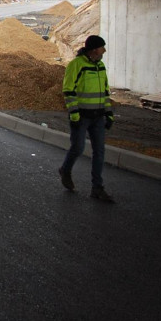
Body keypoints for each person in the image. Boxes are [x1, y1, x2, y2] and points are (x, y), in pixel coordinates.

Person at [58, 34, 115, 202]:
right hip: (81, 116)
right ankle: (65, 170)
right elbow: (68, 90)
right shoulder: (76, 65)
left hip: (97, 116)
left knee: (99, 152)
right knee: (78, 147)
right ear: (94, 50)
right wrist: (74, 113)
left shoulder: (101, 67)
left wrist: (108, 112)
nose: (104, 50)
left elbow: (105, 92)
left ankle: (97, 187)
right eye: (101, 47)